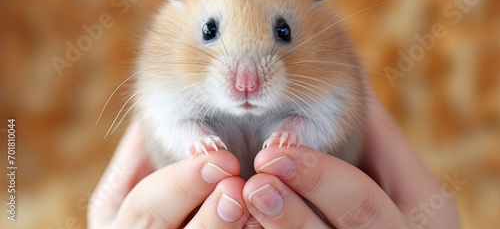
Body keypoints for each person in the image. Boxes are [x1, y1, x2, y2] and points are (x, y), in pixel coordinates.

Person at [88, 77, 462, 228]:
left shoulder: (329, 64)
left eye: (281, 32)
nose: (245, 82)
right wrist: (190, 134)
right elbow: (163, 120)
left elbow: (335, 119)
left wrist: (298, 129)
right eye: (211, 32)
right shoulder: (166, 64)